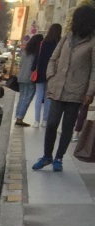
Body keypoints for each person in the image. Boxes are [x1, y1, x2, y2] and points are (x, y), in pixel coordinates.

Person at [32, 5, 95, 173]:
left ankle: (59, 158)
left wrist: (90, 92)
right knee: (51, 123)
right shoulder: (67, 37)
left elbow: (94, 70)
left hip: (77, 91)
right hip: (58, 88)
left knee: (67, 127)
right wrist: (51, 76)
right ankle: (47, 156)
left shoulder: (92, 42)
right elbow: (53, 58)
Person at [35, 23, 63, 123]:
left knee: (38, 95)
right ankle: (45, 120)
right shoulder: (60, 43)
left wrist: (34, 69)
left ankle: (36, 120)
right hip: (53, 73)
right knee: (48, 97)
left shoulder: (43, 43)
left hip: (41, 72)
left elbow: (37, 58)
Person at [14, 33, 44, 125]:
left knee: (22, 97)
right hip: (30, 78)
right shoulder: (36, 53)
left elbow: (21, 64)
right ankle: (20, 118)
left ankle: (18, 117)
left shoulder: (25, 52)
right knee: (27, 98)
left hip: (21, 77)